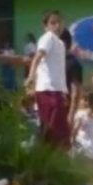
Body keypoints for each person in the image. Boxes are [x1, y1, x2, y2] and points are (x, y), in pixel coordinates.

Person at [26, 11, 70, 149]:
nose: (57, 25)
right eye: (53, 22)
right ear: (46, 26)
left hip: (57, 90)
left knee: (57, 131)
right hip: (48, 90)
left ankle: (52, 162)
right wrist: (31, 77)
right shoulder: (48, 38)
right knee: (53, 130)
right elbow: (38, 57)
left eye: (59, 22)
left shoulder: (60, 43)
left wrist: (64, 91)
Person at [61, 29, 83, 127]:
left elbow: (76, 92)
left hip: (63, 110)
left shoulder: (73, 64)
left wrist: (71, 115)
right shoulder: (50, 62)